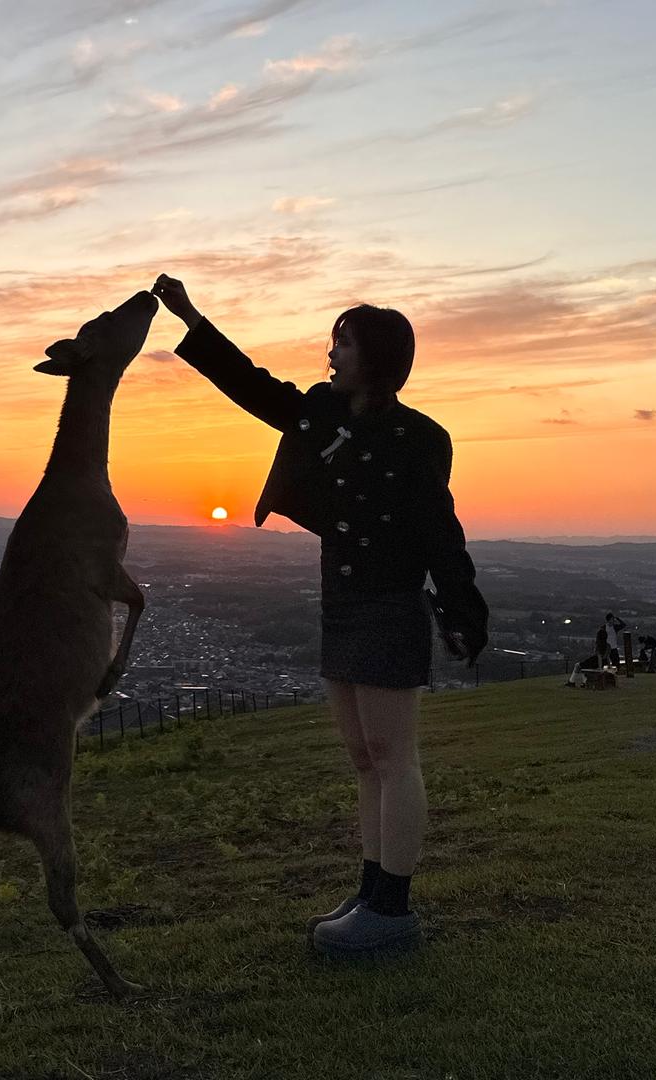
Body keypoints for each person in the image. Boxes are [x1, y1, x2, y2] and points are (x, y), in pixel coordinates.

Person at [151, 274, 488, 959]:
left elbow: (438, 528)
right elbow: (251, 385)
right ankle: (371, 890)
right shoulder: (319, 412)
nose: (330, 350)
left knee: (395, 756)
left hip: (392, 605)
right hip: (341, 602)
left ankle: (393, 910)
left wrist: (459, 607)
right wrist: (190, 316)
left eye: (343, 340)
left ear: (376, 355)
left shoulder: (421, 438)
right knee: (365, 758)